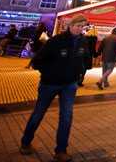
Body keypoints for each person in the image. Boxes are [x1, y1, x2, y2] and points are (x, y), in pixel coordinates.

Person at [19, 14, 89, 162]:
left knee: (66, 116)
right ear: (70, 26)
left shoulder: (83, 41)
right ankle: (26, 142)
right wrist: (51, 72)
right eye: (78, 26)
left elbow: (85, 58)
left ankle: (61, 150)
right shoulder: (56, 41)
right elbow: (37, 61)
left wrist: (80, 70)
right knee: (38, 113)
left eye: (83, 27)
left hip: (70, 85)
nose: (81, 29)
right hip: (49, 84)